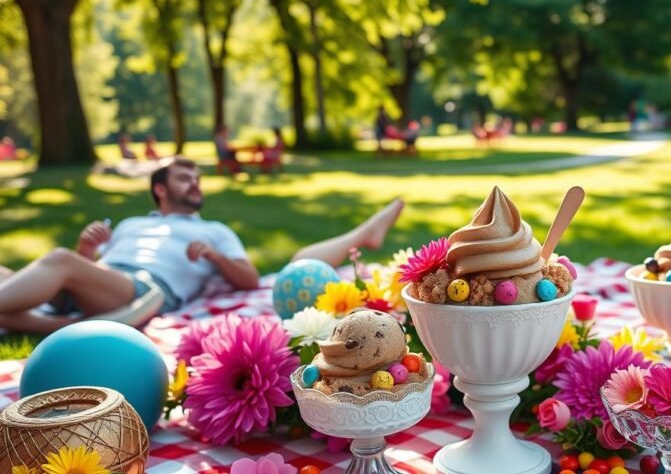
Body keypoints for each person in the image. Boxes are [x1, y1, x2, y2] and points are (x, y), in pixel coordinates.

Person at [0, 157, 405, 335]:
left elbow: (248, 280)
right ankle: (61, 326)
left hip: (145, 290)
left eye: (197, 178)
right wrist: (86, 254)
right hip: (103, 285)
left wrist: (213, 257)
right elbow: (91, 274)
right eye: (183, 178)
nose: (195, 183)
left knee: (55, 261)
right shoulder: (130, 223)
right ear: (160, 189)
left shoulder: (213, 230)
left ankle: (49, 320)